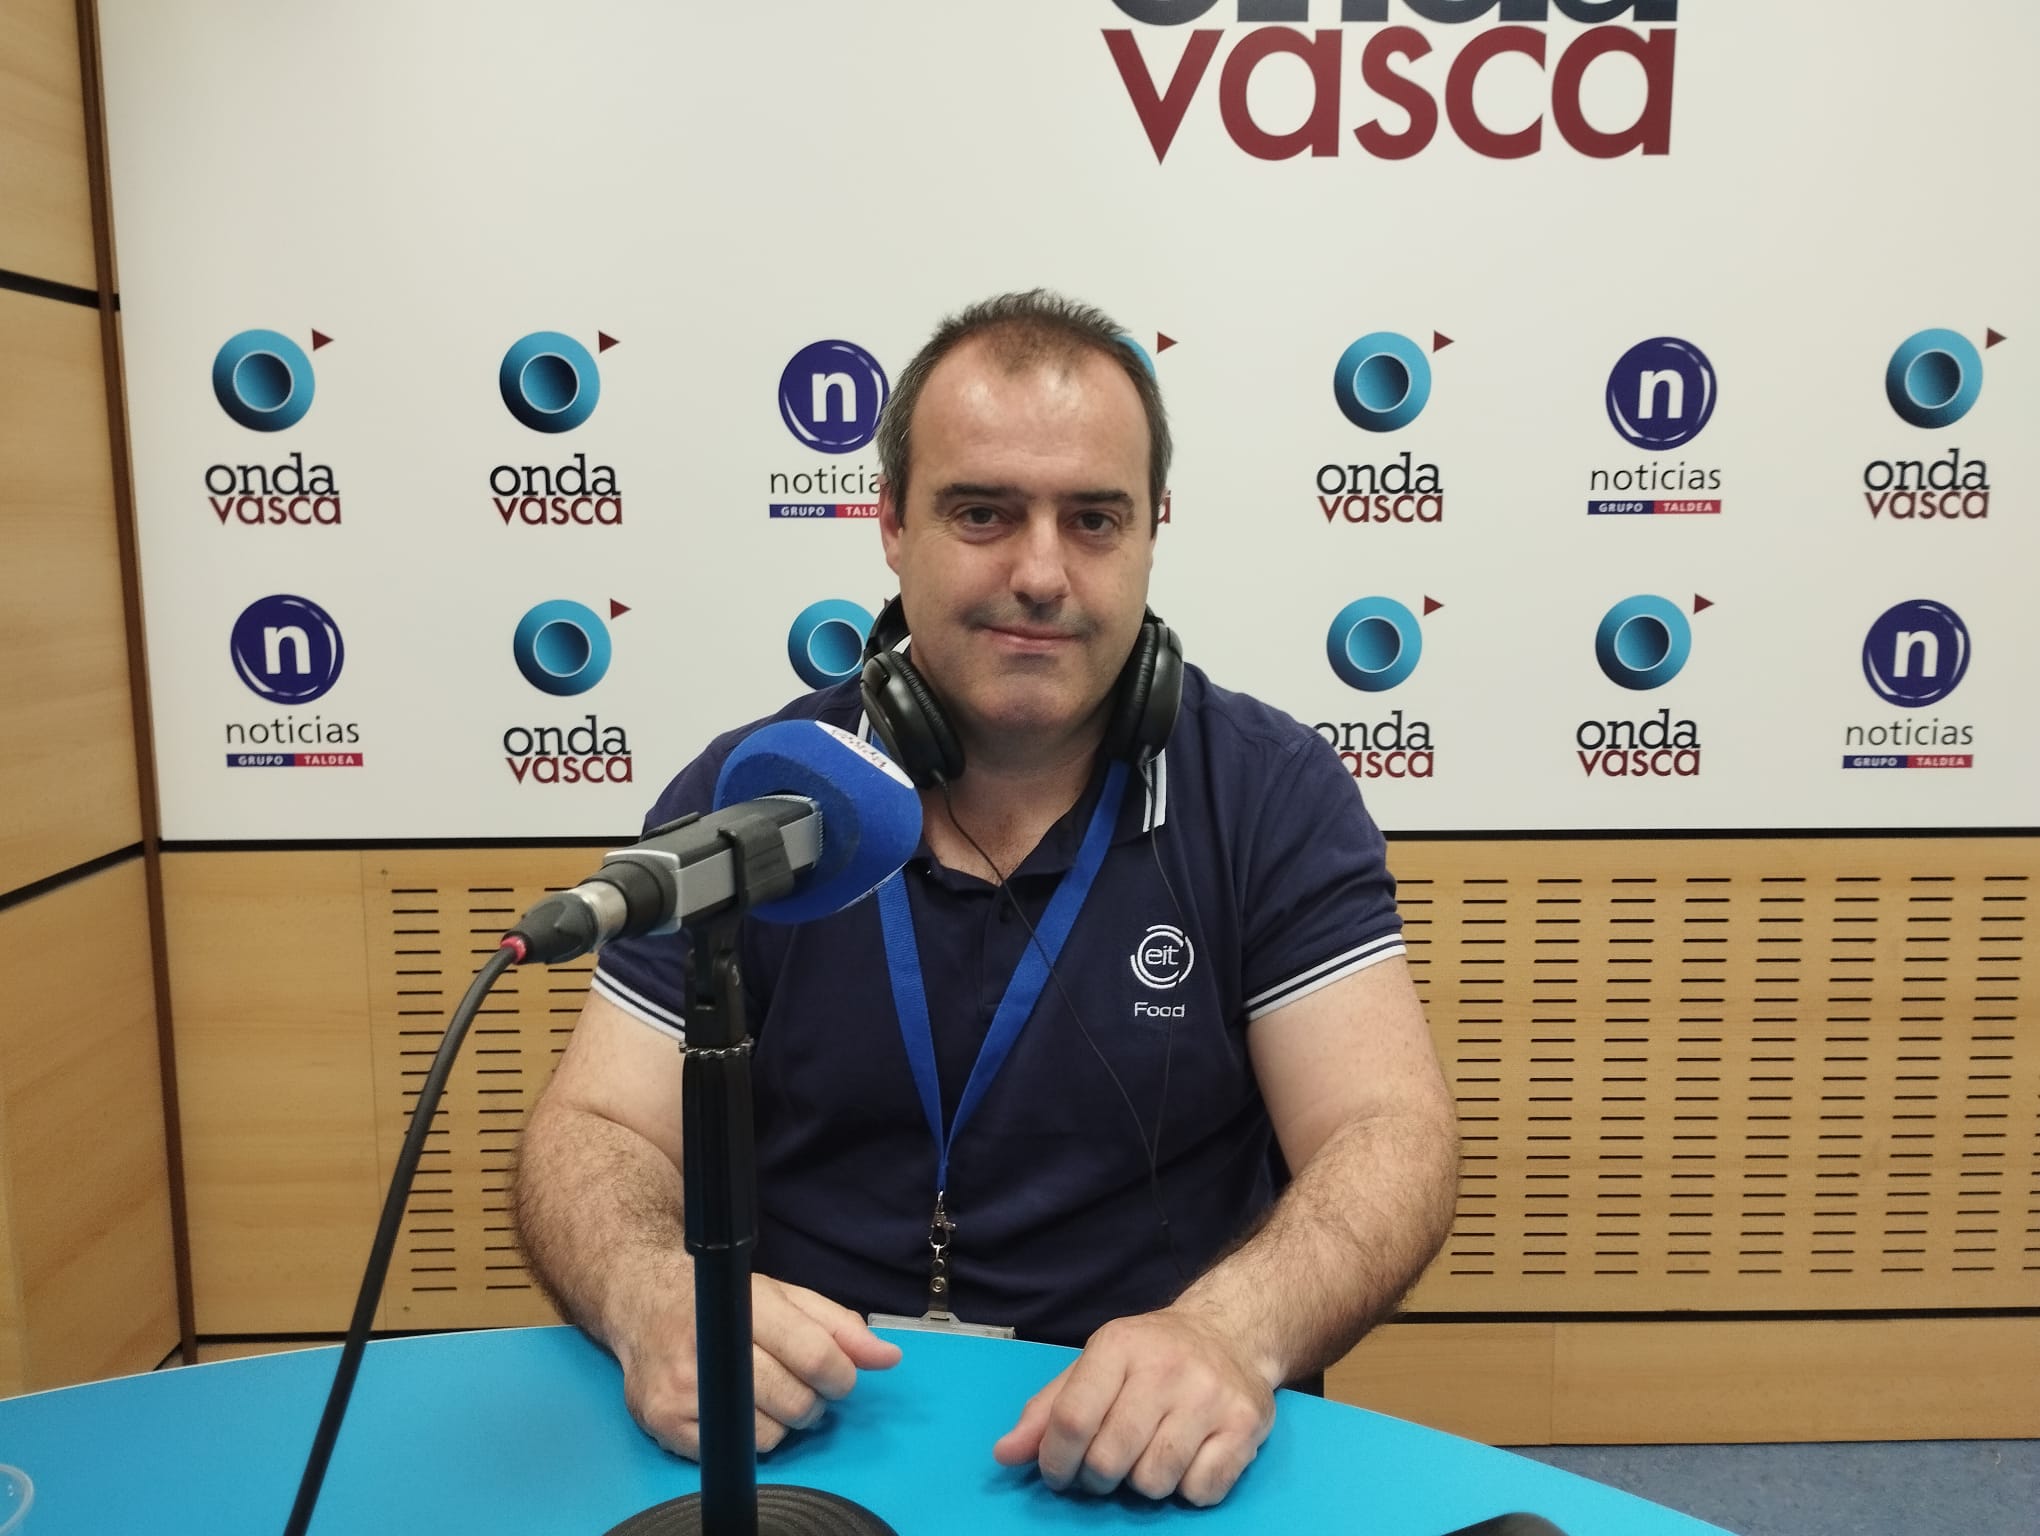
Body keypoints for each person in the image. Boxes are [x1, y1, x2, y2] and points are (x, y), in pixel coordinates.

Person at [513, 290, 1459, 1507]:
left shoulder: (1270, 794)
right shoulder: (758, 799)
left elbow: (1387, 1131)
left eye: (1095, 519)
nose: (1041, 573)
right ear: (891, 524)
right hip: (812, 1443)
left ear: (1153, 532)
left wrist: (1234, 1331)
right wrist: (653, 1294)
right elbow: (595, 1127)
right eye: (983, 514)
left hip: (1140, 1460)